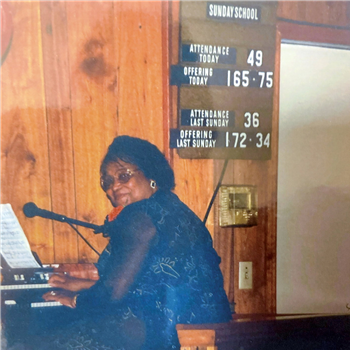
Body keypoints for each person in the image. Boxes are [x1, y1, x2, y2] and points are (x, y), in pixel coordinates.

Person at [6, 136, 232, 350]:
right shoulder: (171, 208)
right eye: (107, 181)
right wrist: (81, 284)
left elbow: (115, 293)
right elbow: (147, 285)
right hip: (203, 324)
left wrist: (76, 299)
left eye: (124, 176)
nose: (113, 187)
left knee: (38, 341)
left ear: (150, 174)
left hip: (167, 334)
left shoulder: (141, 215)